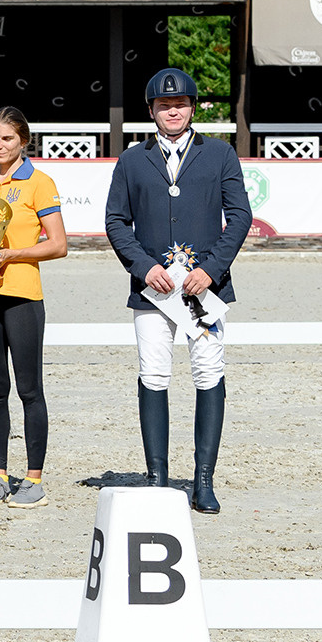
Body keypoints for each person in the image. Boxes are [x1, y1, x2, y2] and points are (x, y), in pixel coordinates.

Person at [105, 67, 251, 515]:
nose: (174, 110)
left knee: (209, 372)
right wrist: (145, 267)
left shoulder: (221, 154)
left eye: (181, 104)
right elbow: (115, 221)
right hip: (154, 289)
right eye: (165, 105)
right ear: (152, 110)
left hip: (204, 289)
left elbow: (240, 215)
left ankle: (203, 481)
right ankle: (157, 479)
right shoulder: (131, 160)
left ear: (192, 109)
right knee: (154, 374)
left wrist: (211, 269)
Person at [0, 107, 65, 509]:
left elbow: (58, 244)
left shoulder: (39, 183)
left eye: (6, 139)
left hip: (22, 297)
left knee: (30, 390)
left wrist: (13, 254)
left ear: (23, 141)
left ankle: (33, 479)